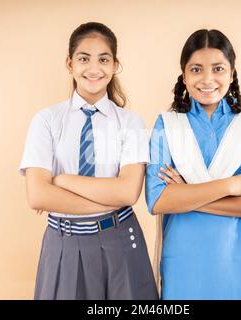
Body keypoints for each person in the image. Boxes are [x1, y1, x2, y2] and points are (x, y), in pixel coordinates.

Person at [19, 22, 158, 300]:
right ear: (69, 64)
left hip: (121, 241)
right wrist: (110, 198)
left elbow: (129, 192)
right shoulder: (46, 121)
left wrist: (61, 181)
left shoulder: (130, 122)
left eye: (103, 59)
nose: (94, 69)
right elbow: (37, 196)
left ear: (115, 65)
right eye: (84, 58)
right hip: (64, 244)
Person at [145, 29, 241, 299]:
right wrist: (231, 185)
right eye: (196, 69)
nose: (207, 79)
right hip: (183, 264)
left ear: (231, 74)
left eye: (218, 68)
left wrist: (187, 195)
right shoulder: (167, 125)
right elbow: (157, 200)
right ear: (184, 76)